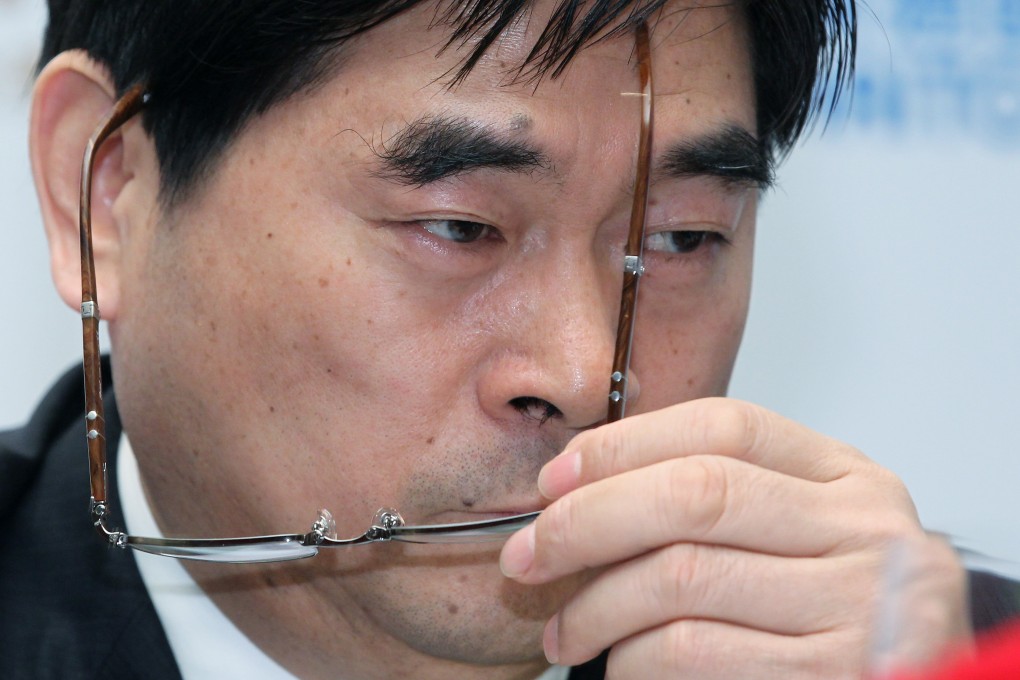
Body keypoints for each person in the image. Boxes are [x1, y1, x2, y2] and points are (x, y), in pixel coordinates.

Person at [1, 1, 1017, 678]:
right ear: (105, 196)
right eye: (461, 228)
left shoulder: (939, 647)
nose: (583, 372)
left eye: (680, 238)